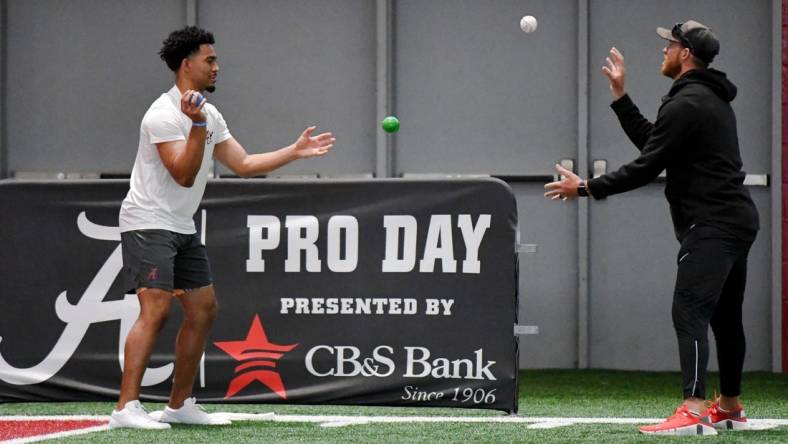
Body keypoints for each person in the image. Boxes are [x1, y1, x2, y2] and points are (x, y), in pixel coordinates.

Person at [110, 26, 335, 429]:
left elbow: (244, 165)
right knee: (156, 309)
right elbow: (182, 173)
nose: (217, 67)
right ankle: (126, 408)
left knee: (203, 309)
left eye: (216, 60)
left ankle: (179, 405)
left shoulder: (209, 114)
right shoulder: (161, 115)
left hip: (181, 224)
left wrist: (295, 151)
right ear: (187, 64)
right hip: (148, 222)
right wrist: (196, 127)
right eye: (209, 60)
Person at [544, 20, 759, 436]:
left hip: (713, 223)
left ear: (685, 54)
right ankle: (730, 408)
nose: (663, 51)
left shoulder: (687, 103)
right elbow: (656, 144)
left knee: (690, 309)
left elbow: (646, 166)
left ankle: (694, 410)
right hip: (735, 219)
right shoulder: (706, 100)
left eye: (670, 46)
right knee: (725, 317)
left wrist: (586, 187)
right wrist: (621, 95)